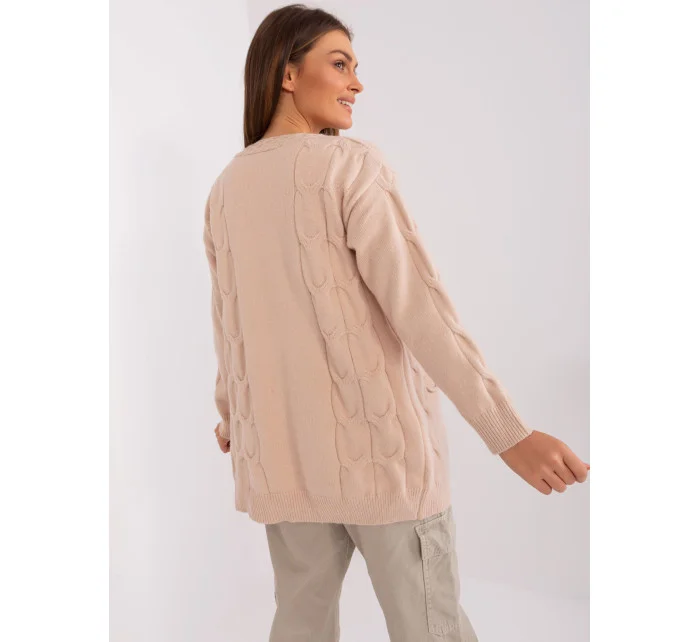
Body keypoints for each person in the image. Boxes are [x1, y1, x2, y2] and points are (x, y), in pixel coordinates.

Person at [202, 5, 589, 641]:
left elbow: (231, 323)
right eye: (340, 64)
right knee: (431, 628)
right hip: (383, 461)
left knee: (300, 624)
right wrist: (508, 433)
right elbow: (421, 311)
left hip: (280, 457)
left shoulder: (226, 189)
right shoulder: (349, 166)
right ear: (287, 74)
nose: (356, 83)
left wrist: (231, 414)